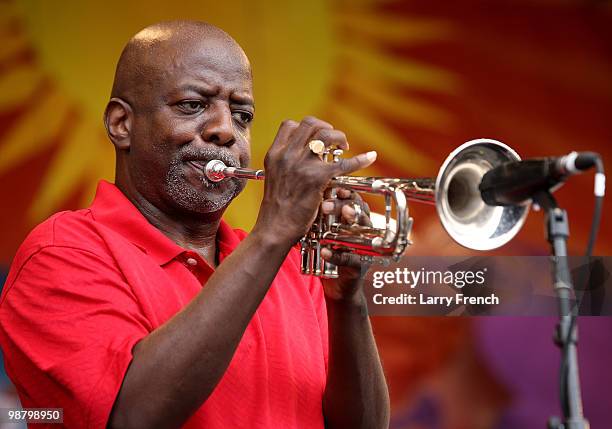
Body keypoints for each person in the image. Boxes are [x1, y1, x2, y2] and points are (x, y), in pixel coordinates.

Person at [0, 21, 389, 429]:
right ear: (121, 124)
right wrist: (274, 232)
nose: (225, 131)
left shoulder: (290, 266)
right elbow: (132, 416)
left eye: (242, 116)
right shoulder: (62, 253)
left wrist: (346, 299)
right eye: (192, 105)